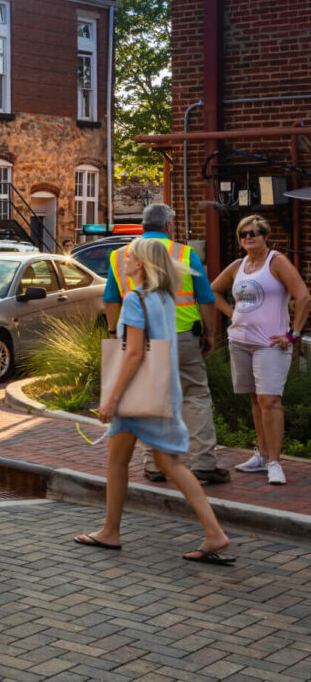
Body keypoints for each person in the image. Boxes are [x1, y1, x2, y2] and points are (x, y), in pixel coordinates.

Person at [75, 237, 235, 565]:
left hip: (138, 395)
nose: (124, 262)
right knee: (170, 464)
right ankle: (212, 532)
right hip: (162, 390)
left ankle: (111, 531)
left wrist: (112, 398)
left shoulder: (135, 299)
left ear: (142, 265)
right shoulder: (164, 297)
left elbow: (133, 354)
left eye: (130, 258)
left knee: (119, 463)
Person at [104, 202, 229, 485]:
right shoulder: (185, 253)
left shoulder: (120, 256)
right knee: (195, 395)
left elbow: (111, 299)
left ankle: (154, 465)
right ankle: (204, 463)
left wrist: (114, 334)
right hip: (183, 335)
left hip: (140, 338)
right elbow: (206, 298)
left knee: (151, 399)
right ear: (169, 226)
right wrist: (209, 334)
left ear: (143, 225)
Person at [211, 215, 310, 486]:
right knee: (255, 400)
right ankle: (263, 455)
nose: (248, 238)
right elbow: (212, 292)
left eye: (254, 233)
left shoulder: (275, 261)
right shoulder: (238, 265)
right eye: (243, 234)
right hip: (240, 341)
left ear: (266, 235)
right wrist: (233, 314)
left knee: (270, 400)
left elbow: (303, 296)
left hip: (270, 343)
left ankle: (276, 462)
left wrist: (294, 334)